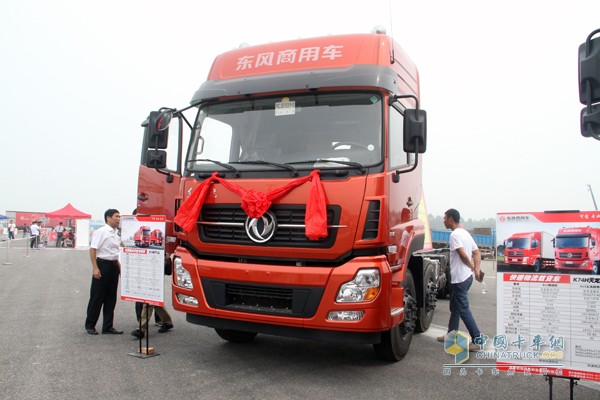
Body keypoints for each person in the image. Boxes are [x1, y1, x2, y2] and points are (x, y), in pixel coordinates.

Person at [437, 208, 482, 352]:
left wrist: (472, 266)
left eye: (445, 218)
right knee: (455, 308)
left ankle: (477, 339)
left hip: (460, 279)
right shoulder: (465, 233)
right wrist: (475, 269)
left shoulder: (455, 234)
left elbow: (463, 255)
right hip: (465, 278)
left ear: (451, 219)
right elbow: (476, 252)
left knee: (462, 309)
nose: (443, 220)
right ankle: (451, 335)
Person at [84, 209, 123, 335]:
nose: (118, 219)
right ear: (108, 218)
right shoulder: (101, 232)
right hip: (103, 265)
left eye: (119, 217)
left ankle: (108, 326)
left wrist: (120, 269)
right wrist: (95, 267)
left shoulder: (117, 233)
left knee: (111, 298)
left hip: (113, 266)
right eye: (116, 216)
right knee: (97, 297)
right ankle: (90, 325)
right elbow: (93, 249)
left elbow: (116, 253)